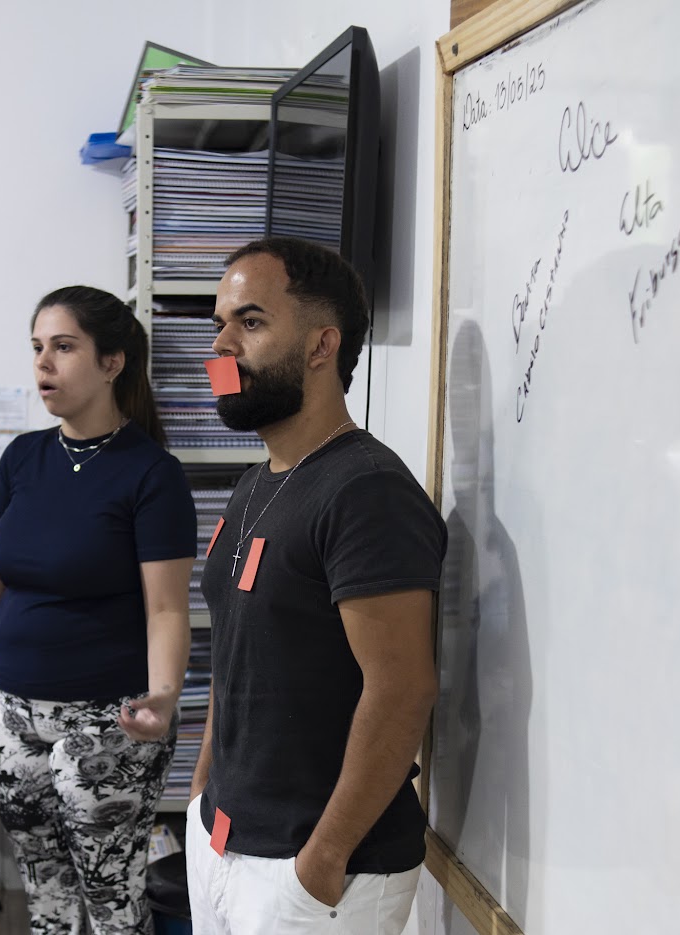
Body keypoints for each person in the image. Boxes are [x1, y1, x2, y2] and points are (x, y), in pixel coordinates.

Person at [187, 238, 447, 934]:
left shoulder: (365, 490)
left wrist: (322, 859)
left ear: (320, 345)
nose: (221, 348)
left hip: (314, 873)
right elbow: (235, 654)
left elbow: (402, 690)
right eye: (219, 324)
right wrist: (203, 788)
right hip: (221, 841)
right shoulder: (254, 484)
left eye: (250, 322)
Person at [0, 285, 197, 935]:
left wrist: (165, 695)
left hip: (107, 722)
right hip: (10, 714)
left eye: (63, 346)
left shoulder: (152, 474)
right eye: (37, 347)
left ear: (112, 362)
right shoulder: (21, 458)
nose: (43, 363)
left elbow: (167, 608)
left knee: (111, 902)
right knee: (46, 896)